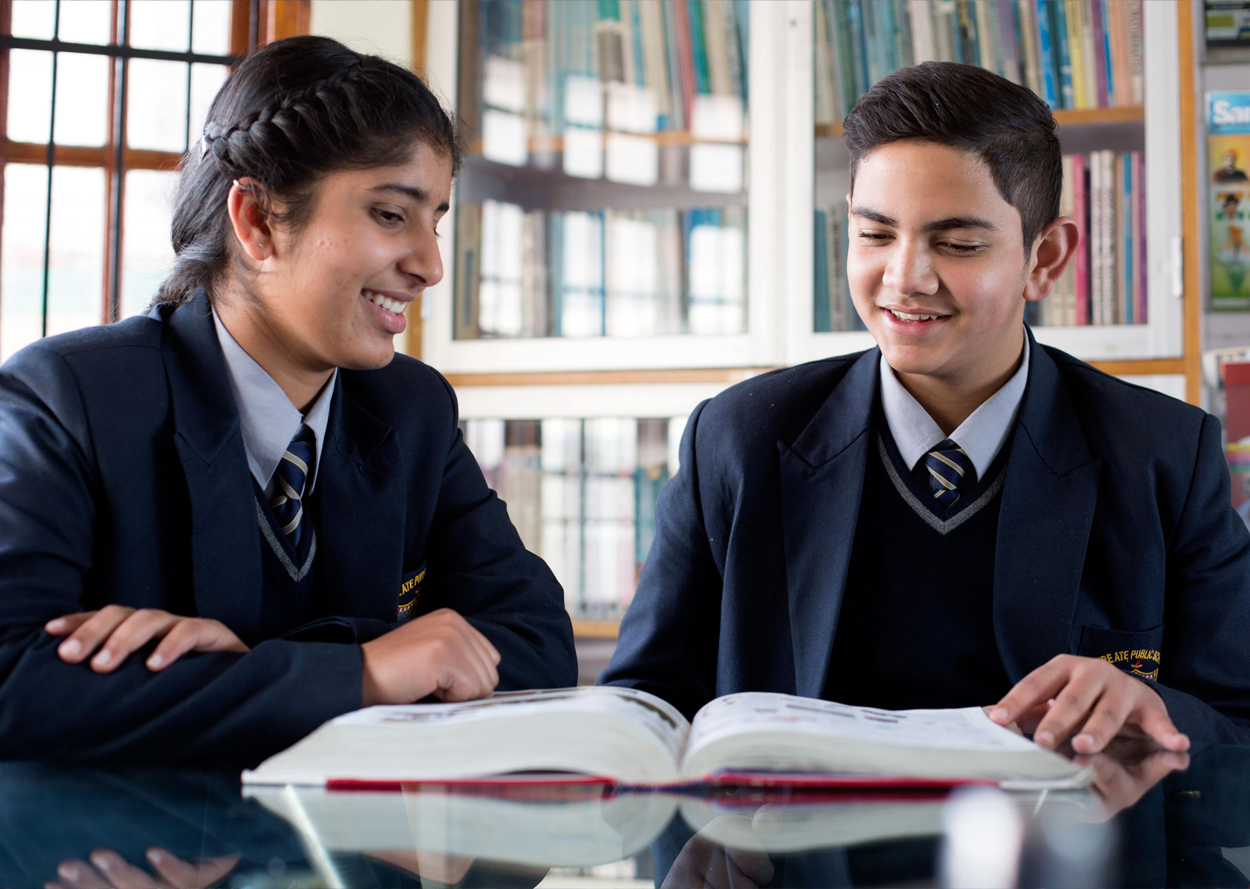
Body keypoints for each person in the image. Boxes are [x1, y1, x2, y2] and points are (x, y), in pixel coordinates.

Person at [601, 62, 1250, 754]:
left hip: (1063, 857)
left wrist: (1150, 706)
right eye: (875, 235)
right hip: (791, 858)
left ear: (1046, 258)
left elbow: (1237, 725)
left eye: (957, 243)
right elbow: (643, 716)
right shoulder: (736, 441)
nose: (905, 278)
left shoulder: (1163, 456)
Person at [0, 36, 575, 764]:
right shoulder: (70, 400)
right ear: (258, 221)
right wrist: (364, 671)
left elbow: (535, 642)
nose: (429, 264)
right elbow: (14, 680)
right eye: (392, 215)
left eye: (436, 219)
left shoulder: (412, 409)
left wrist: (271, 663)